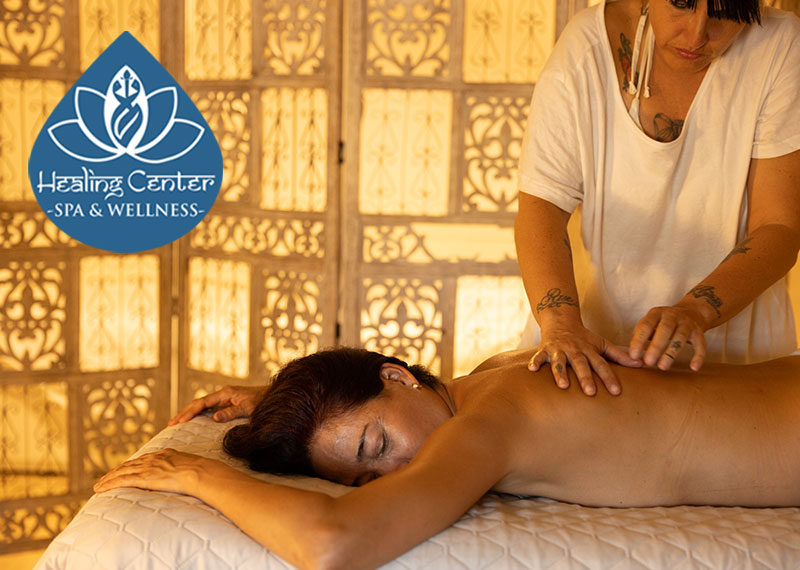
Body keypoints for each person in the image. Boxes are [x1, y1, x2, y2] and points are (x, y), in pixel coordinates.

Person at [95, 347, 800, 570]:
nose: (397, 475)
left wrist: (194, 474)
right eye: (364, 477)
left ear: (397, 376)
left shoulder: (488, 423)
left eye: (376, 446)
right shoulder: (492, 375)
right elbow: (378, 394)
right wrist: (275, 400)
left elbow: (334, 544)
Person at [515, 0, 800, 397]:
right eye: (682, 4)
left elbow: (778, 225)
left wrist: (695, 311)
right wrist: (561, 326)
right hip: (590, 349)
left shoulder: (779, 46)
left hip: (734, 359)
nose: (697, 35)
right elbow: (542, 205)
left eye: (723, 13)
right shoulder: (585, 49)